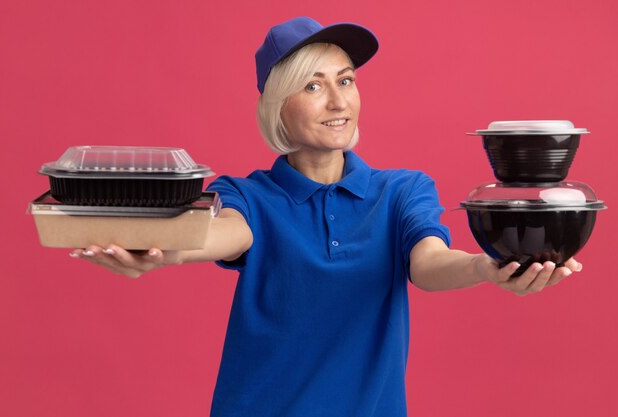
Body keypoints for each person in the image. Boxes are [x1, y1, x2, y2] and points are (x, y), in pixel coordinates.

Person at [71, 16, 582, 417]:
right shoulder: (248, 195)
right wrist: (160, 252)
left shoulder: (401, 191)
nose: (339, 101)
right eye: (313, 86)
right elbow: (213, 234)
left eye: (347, 80)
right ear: (278, 106)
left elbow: (428, 262)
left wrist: (485, 267)